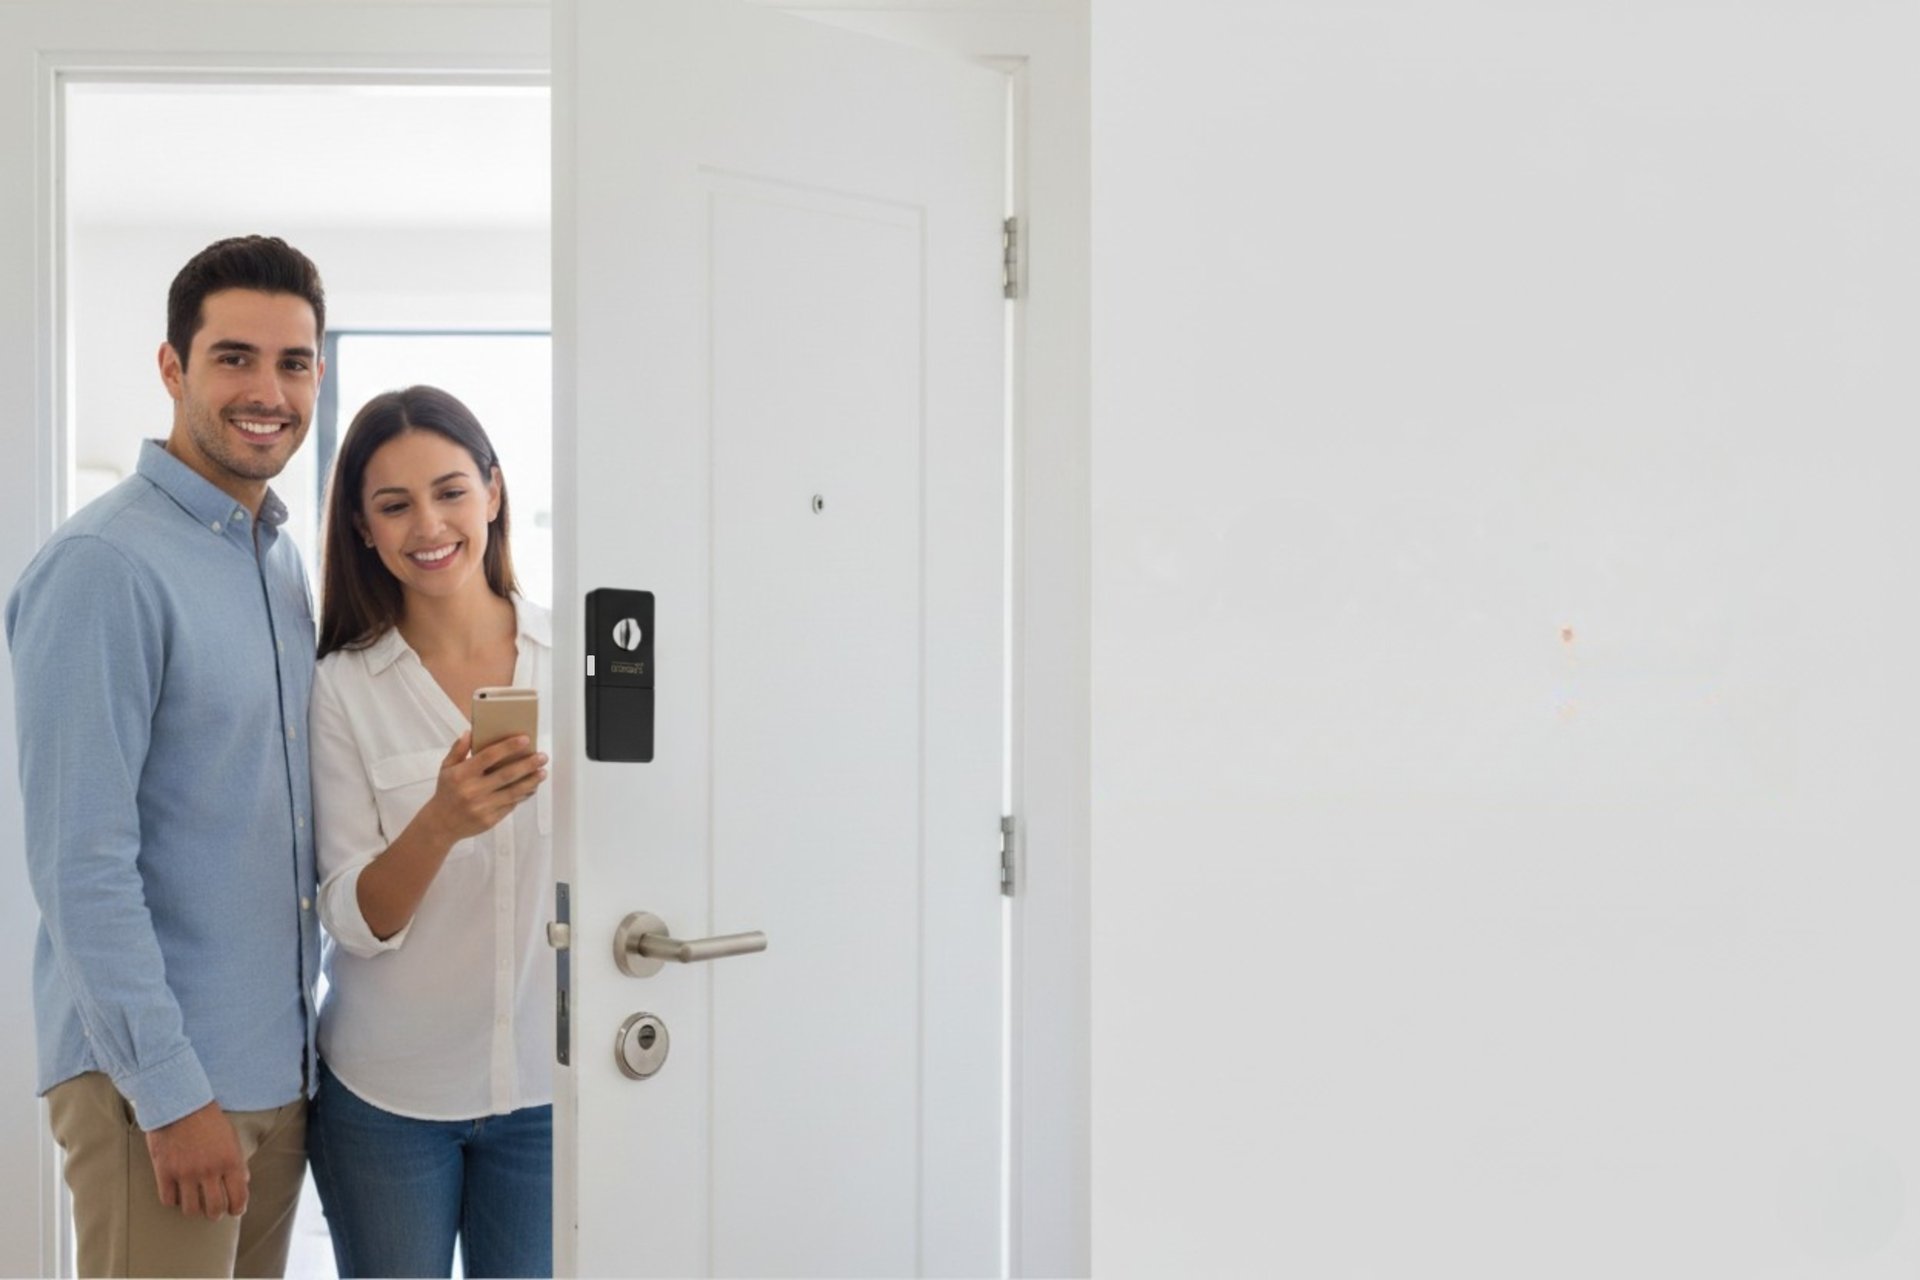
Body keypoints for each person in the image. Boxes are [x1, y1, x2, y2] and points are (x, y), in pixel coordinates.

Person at [5, 235, 326, 1278]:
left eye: (293, 362)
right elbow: (80, 864)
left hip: (276, 1075)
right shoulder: (103, 565)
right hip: (163, 1091)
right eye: (234, 357)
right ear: (172, 368)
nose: (267, 391)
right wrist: (170, 1092)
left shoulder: (278, 559)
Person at [305, 384, 553, 1278]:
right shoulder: (341, 687)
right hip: (387, 1096)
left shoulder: (575, 661)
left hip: (545, 1090)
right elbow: (351, 918)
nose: (429, 525)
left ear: (493, 491)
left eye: (450, 491)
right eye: (394, 504)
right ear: (362, 528)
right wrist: (441, 823)